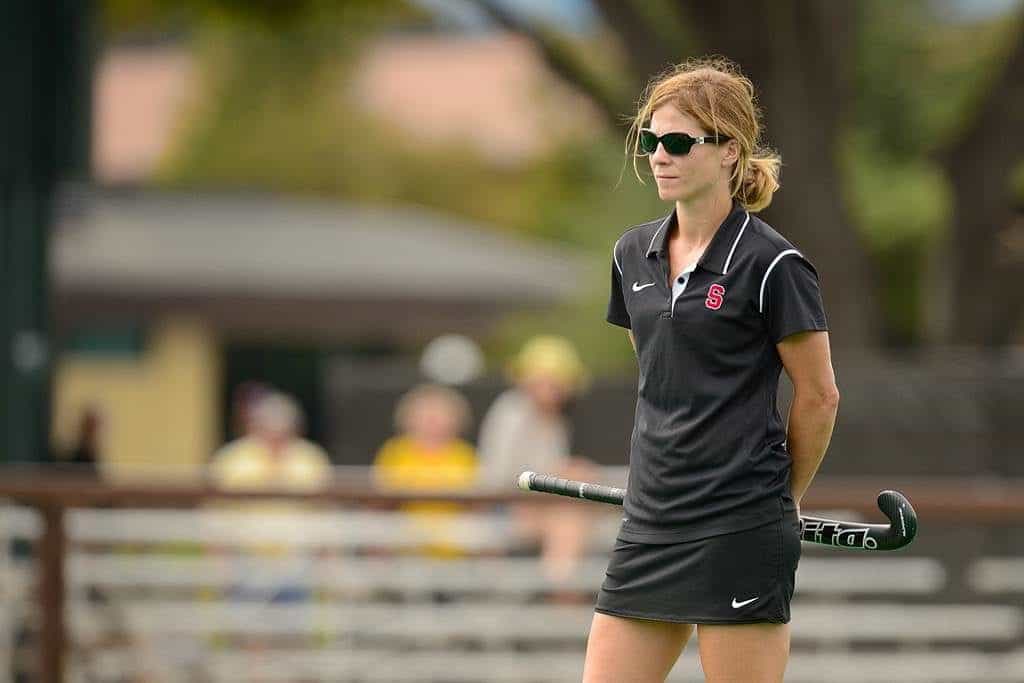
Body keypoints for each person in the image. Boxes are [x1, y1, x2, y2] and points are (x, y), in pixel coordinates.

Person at [588, 57, 839, 683]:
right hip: (650, 525)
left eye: (677, 142)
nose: (658, 156)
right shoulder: (630, 252)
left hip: (740, 527)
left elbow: (819, 397)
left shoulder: (774, 265)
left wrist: (783, 501)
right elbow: (662, 378)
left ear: (730, 152)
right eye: (650, 141)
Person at [477, 335, 598, 586]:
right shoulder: (512, 412)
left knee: (572, 514)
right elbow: (501, 477)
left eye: (556, 383)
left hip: (534, 505)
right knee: (569, 519)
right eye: (543, 382)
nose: (550, 390)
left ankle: (561, 589)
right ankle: (561, 592)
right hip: (506, 508)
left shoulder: (554, 421)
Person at [373, 383, 478, 556]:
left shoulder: (465, 454)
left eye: (439, 415)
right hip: (404, 544)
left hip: (456, 545)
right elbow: (380, 499)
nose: (431, 420)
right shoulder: (394, 451)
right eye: (425, 415)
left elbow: (476, 502)